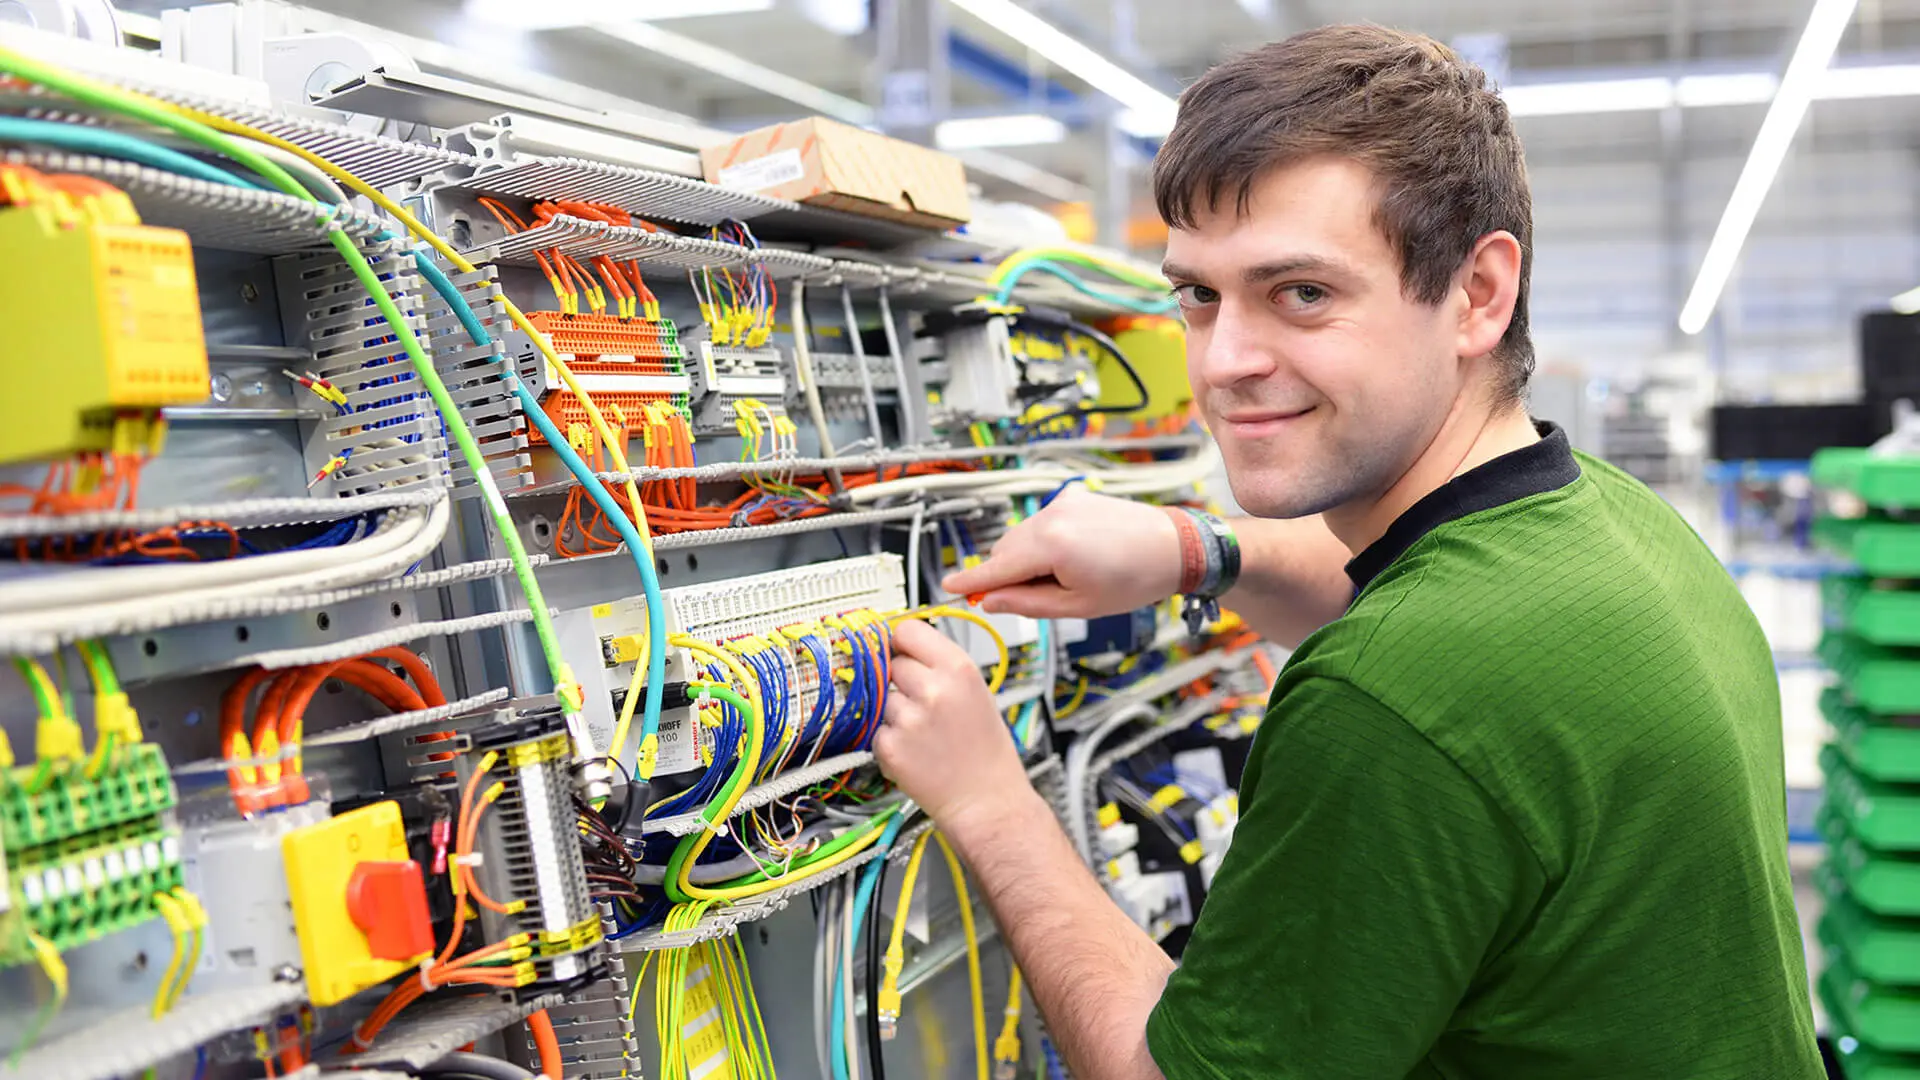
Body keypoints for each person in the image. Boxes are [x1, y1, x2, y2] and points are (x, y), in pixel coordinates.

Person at [874, 24, 1825, 1080]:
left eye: (1302, 294)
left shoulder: (1389, 699)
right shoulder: (1618, 524)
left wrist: (986, 801)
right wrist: (1193, 550)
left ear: (1477, 295)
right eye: (1198, 294)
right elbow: (1420, 603)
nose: (1224, 361)